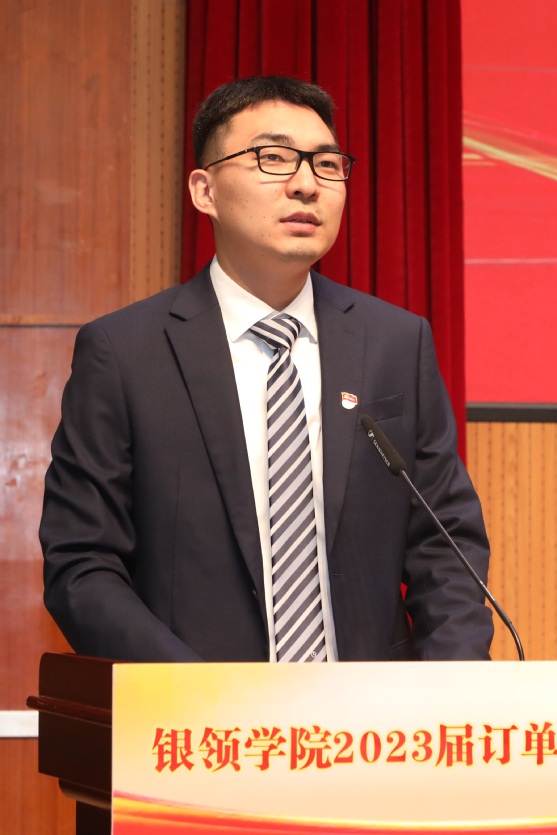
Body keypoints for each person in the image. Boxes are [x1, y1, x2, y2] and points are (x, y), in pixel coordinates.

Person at [39, 75, 493, 663]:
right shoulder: (125, 353)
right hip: (199, 708)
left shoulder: (395, 343)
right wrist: (196, 692)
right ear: (205, 190)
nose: (306, 184)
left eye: (326, 164)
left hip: (374, 710)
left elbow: (445, 543)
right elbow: (82, 565)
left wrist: (453, 686)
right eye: (273, 159)